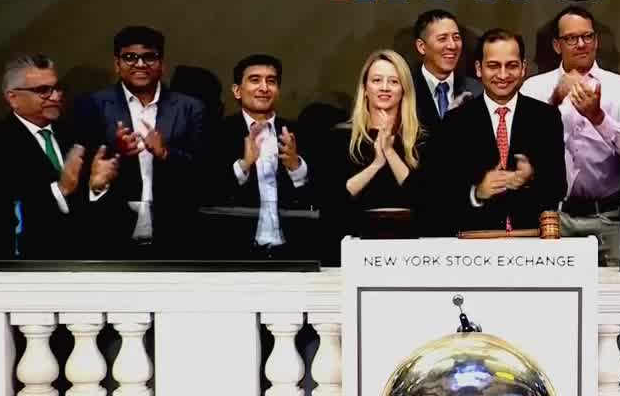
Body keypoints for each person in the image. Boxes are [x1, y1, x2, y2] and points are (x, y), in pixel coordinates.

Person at [521, 6, 620, 265]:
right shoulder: (535, 88)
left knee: (613, 289)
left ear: (596, 41)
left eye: (587, 36)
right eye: (571, 38)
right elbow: (522, 146)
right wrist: (553, 102)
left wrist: (598, 118)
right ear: (557, 45)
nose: (581, 44)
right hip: (554, 218)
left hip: (608, 218)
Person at [74, 26, 204, 256]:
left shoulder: (190, 108)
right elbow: (78, 172)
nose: (140, 64)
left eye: (149, 57)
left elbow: (204, 171)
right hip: (110, 232)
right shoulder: (92, 105)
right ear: (117, 64)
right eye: (130, 57)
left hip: (174, 232)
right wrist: (118, 152)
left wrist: (165, 154)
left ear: (162, 64)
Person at [0, 53, 116, 259]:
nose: (56, 97)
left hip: (80, 261)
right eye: (43, 90)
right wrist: (60, 190)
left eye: (57, 88)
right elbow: (3, 218)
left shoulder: (75, 134)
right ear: (13, 98)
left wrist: (96, 187)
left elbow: (90, 213)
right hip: (25, 264)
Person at [426, 29, 565, 234]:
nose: (502, 75)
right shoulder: (455, 122)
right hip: (475, 241)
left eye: (511, 66)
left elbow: (558, 188)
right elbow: (440, 194)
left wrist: (531, 177)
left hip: (531, 239)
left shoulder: (546, 118)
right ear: (479, 69)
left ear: (523, 68)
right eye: (493, 66)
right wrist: (477, 193)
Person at [209, 54, 314, 258]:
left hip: (292, 250)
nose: (264, 88)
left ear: (278, 90)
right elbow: (208, 192)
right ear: (237, 90)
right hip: (236, 249)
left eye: (271, 81)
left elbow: (320, 196)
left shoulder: (300, 132)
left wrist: (295, 166)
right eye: (255, 80)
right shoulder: (217, 132)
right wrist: (244, 165)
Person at [320, 50, 426, 243]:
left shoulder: (421, 140)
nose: (384, 88)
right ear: (365, 88)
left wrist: (390, 152)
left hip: (409, 246)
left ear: (404, 89)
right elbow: (333, 202)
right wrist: (376, 164)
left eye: (393, 82)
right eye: (377, 80)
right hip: (353, 245)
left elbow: (423, 201)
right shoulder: (339, 138)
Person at [412, 9, 480, 131]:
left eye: (456, 37)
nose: (452, 46)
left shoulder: (477, 90)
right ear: (421, 46)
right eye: (442, 39)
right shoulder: (406, 90)